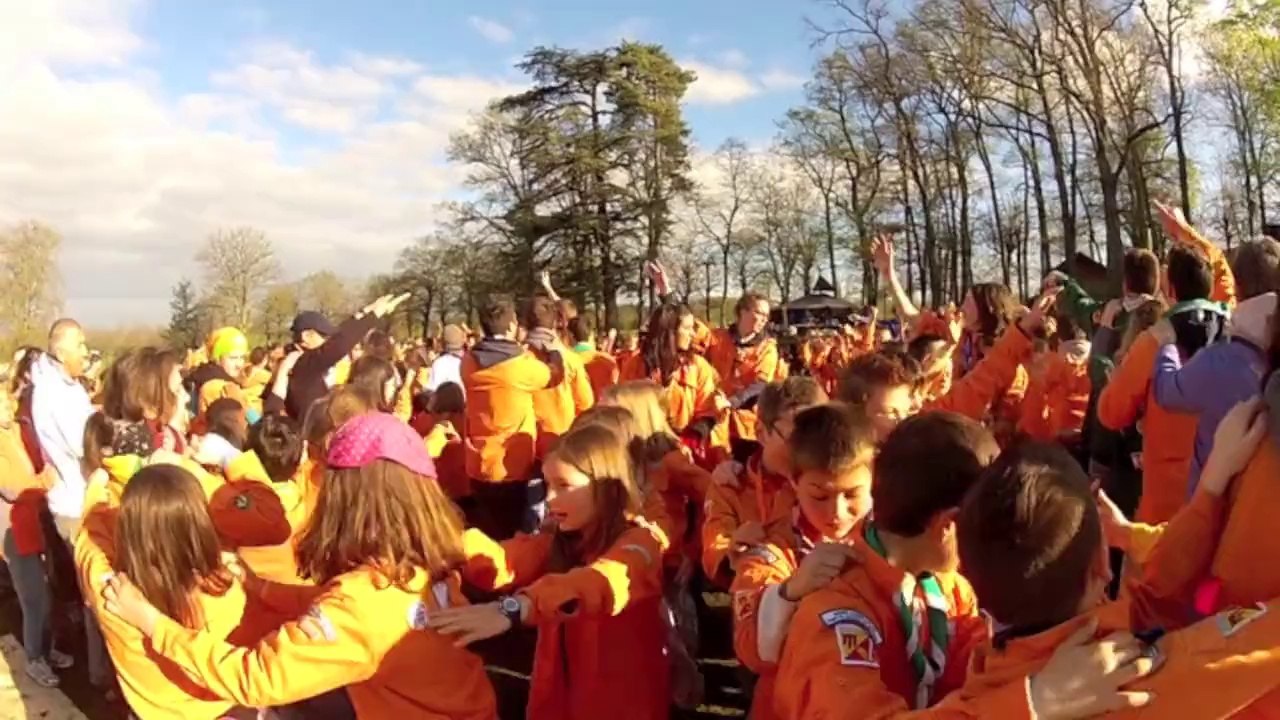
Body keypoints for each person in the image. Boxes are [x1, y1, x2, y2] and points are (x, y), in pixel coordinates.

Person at [102, 412, 498, 719]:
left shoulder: (360, 607)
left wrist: (152, 623)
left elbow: (255, 677)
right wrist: (260, 588)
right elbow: (351, 605)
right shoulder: (421, 561)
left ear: (349, 500)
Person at [957, 441, 1280, 718]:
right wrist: (1213, 486)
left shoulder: (982, 689)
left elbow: (1151, 602)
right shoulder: (1136, 680)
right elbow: (1249, 645)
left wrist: (1211, 487)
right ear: (1102, 565)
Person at [433, 424, 669, 720]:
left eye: (564, 486)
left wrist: (517, 608)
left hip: (622, 704)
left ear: (605, 487)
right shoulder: (560, 541)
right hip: (561, 700)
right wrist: (445, 540)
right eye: (547, 485)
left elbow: (600, 583)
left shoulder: (641, 544)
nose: (549, 498)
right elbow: (501, 562)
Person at [772, 412, 999, 718]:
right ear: (949, 524)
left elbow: (981, 668)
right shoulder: (836, 610)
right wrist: (1034, 699)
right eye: (984, 527)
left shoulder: (951, 590)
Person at [730, 403, 873, 719]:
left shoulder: (893, 544)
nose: (836, 512)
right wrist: (790, 592)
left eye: (852, 495)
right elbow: (751, 650)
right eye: (819, 496)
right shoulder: (768, 546)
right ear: (794, 482)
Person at [1099, 241, 1228, 524]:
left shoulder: (1153, 343)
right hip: (1227, 497)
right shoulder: (1237, 335)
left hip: (1167, 504)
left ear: (1170, 291)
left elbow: (1110, 412)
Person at [1148, 227, 1280, 494]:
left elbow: (1167, 391)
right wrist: (1185, 231)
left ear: (1239, 288)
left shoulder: (1218, 361)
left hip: (1222, 514)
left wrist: (1167, 346)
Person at [702, 377, 827, 585]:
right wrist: (732, 550)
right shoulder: (731, 485)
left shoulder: (835, 481)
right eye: (796, 438)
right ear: (761, 433)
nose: (808, 449)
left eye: (817, 438)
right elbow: (714, 549)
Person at [463, 297, 564, 539]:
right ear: (511, 326)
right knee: (513, 536)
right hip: (512, 466)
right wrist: (554, 351)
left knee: (489, 531)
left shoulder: (468, 362)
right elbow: (555, 375)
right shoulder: (519, 366)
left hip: (478, 463)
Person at [0, 385, 69, 687]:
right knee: (33, 598)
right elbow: (13, 488)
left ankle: (47, 648)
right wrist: (46, 480)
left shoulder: (18, 430)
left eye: (6, 401)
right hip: (15, 532)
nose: (6, 408)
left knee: (48, 592)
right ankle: (33, 659)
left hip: (37, 524)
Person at [274, 293, 409, 420]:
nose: (328, 341)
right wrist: (373, 316)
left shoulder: (300, 362)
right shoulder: (302, 363)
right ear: (306, 336)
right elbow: (340, 344)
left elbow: (339, 335)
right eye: (324, 336)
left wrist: (363, 313)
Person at [30, 318, 93, 535]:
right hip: (73, 506)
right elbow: (82, 443)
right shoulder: (53, 392)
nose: (86, 352)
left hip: (85, 498)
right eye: (80, 345)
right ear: (61, 354)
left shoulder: (72, 387)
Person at [705, 292, 786, 445]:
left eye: (766, 315)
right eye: (759, 313)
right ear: (743, 311)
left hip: (746, 427)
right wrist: (667, 294)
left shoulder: (767, 348)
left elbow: (760, 384)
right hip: (715, 421)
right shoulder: (717, 338)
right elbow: (688, 327)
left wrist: (731, 402)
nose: (763, 319)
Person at [526, 295, 594, 459]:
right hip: (562, 440)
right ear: (556, 322)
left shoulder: (519, 360)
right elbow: (585, 403)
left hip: (528, 445)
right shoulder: (570, 359)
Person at [186, 327, 248, 417]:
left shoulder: (202, 375)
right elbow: (248, 419)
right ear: (217, 359)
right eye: (233, 358)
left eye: (242, 358)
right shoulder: (218, 387)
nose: (239, 365)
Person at [567, 316, 619, 399]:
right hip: (605, 408)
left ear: (570, 335)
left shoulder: (567, 361)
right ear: (591, 334)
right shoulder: (608, 360)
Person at [428, 324, 468, 396]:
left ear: (443, 342)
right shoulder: (471, 360)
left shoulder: (440, 364)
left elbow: (433, 391)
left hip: (449, 405)